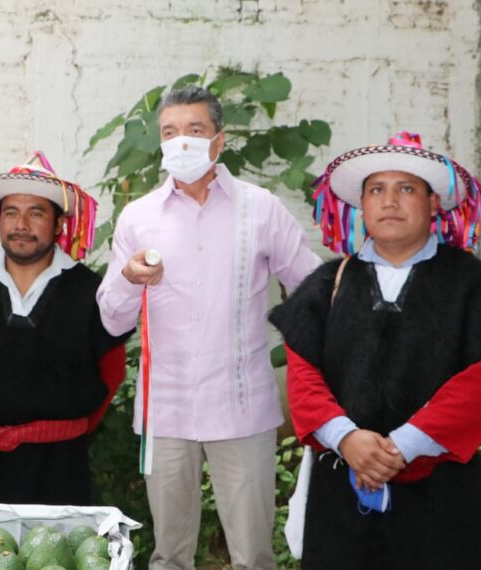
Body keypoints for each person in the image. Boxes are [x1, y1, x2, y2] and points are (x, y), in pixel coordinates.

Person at [268, 132, 481, 569]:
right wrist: (348, 439)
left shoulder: (473, 286)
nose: (390, 201)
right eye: (377, 190)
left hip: (440, 496)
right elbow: (304, 378)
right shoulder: (327, 285)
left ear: (434, 204)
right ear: (362, 205)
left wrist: (399, 449)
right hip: (342, 490)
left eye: (407, 189)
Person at [96, 86, 322, 570]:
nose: (181, 143)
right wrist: (128, 279)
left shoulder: (260, 209)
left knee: (253, 556)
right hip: (166, 410)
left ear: (218, 141)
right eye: (170, 133)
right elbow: (111, 318)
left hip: (240, 409)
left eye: (194, 131)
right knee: (169, 555)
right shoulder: (138, 218)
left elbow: (313, 290)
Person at [0, 152, 130, 505]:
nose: (21, 224)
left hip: (61, 462)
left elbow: (111, 374)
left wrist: (54, 429)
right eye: (11, 213)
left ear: (59, 224)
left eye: (36, 213)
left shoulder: (91, 292)